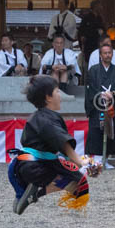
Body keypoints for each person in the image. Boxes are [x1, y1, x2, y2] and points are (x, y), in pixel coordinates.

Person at [9, 75, 89, 215]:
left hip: (26, 167)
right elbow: (65, 146)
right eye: (57, 91)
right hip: (36, 168)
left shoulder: (38, 116)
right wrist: (83, 162)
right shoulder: (46, 120)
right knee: (78, 180)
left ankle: (31, 193)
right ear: (48, 97)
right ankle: (36, 193)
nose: (60, 95)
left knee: (76, 181)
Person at [85, 40, 115, 169]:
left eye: (109, 53)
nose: (107, 55)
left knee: (110, 129)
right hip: (97, 105)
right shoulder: (94, 70)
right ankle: (97, 159)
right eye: (105, 53)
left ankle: (106, 158)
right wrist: (101, 95)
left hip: (111, 105)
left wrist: (112, 93)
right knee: (97, 129)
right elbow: (90, 87)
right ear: (100, 55)